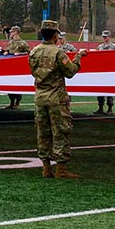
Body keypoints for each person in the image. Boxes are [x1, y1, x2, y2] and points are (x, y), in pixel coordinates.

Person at [29, 19, 86, 178]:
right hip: (56, 99)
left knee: (43, 132)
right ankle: (61, 169)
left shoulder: (34, 52)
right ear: (55, 35)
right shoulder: (58, 53)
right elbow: (70, 71)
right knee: (61, 131)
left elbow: (34, 72)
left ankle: (46, 168)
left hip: (40, 97)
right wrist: (78, 57)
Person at [92, 31, 115, 115]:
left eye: (106, 37)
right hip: (101, 72)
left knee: (109, 91)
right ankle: (100, 107)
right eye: (103, 37)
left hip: (110, 71)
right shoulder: (100, 47)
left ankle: (110, 108)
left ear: (109, 37)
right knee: (100, 90)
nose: (105, 38)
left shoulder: (114, 47)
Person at [4, 26, 30, 109]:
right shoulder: (10, 42)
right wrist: (6, 52)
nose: (10, 33)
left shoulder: (23, 43)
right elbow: (8, 50)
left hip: (18, 68)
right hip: (10, 66)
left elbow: (29, 53)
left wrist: (20, 54)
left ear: (16, 32)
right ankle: (11, 102)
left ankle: (17, 102)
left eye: (12, 32)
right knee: (9, 85)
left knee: (17, 85)